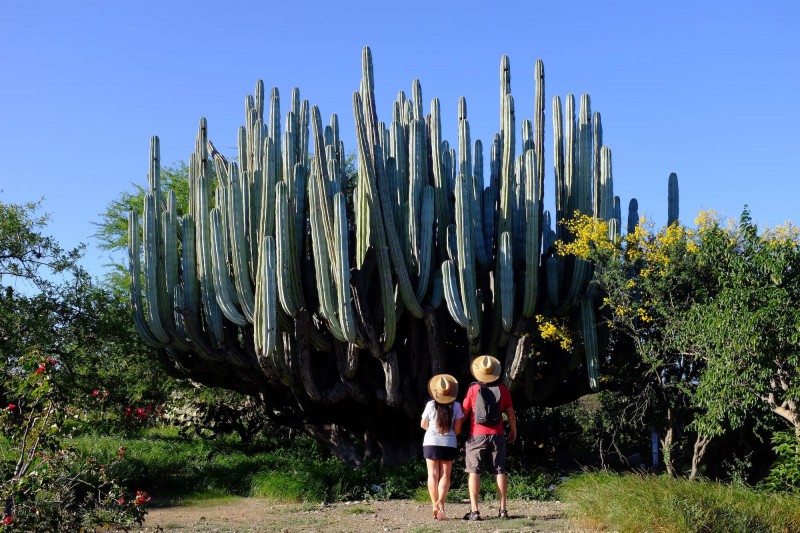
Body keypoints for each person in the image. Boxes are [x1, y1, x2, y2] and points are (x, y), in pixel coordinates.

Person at [461, 355, 517, 521]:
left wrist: (453, 429)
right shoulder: (503, 390)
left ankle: (475, 511)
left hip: (476, 435)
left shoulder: (472, 390)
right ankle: (503, 510)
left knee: (473, 471)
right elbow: (511, 414)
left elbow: (463, 414)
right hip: (498, 434)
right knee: (500, 471)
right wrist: (513, 430)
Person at [420, 373, 464, 521]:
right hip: (449, 443)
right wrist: (449, 435)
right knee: (445, 475)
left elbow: (423, 424)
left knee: (432, 474)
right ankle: (442, 504)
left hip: (431, 442)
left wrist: (434, 433)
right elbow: (458, 428)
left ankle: (434, 505)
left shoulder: (430, 405)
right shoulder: (456, 406)